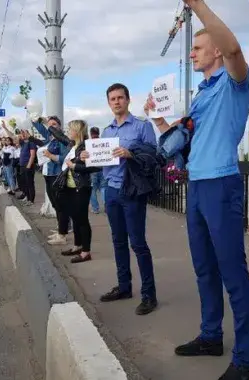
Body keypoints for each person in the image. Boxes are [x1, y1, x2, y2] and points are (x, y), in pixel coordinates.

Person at [144, 2, 249, 379]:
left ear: (216, 51)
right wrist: (159, 119)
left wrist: (199, 6)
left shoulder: (236, 82)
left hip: (221, 184)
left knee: (232, 273)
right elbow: (184, 142)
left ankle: (244, 362)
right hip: (197, 184)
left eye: (197, 47)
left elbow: (235, 50)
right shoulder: (202, 93)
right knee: (204, 269)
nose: (190, 52)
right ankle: (211, 336)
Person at [80, 83, 159, 316]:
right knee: (118, 242)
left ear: (128, 100)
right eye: (112, 98)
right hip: (111, 190)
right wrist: (87, 156)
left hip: (132, 191)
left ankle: (149, 295)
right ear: (108, 102)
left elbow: (153, 156)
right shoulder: (106, 132)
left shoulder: (142, 127)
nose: (116, 101)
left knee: (138, 243)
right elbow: (100, 161)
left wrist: (130, 154)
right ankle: (124, 286)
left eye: (120, 98)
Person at [57, 120, 101, 264]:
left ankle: (85, 251)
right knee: (75, 218)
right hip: (69, 187)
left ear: (77, 131)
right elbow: (59, 136)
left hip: (81, 187)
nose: (68, 132)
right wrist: (42, 122)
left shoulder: (86, 146)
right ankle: (77, 246)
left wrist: (75, 166)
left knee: (82, 220)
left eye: (70, 129)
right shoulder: (72, 145)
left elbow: (95, 167)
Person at [31, 116, 72, 245]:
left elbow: (64, 158)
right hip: (47, 175)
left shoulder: (62, 140)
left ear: (60, 126)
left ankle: (63, 234)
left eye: (54, 124)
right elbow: (39, 127)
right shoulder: (49, 138)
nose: (52, 127)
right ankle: (61, 230)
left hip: (57, 175)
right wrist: (34, 117)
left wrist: (51, 156)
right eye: (50, 125)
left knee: (60, 206)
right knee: (55, 205)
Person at [88, 126, 107, 213]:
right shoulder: (103, 143)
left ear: (91, 134)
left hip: (92, 170)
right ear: (98, 133)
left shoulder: (89, 143)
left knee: (93, 190)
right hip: (103, 169)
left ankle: (95, 208)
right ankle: (107, 206)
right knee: (103, 188)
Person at [17, 129, 37, 204]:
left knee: (29, 183)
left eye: (24, 133)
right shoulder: (23, 143)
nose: (23, 135)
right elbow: (15, 137)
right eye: (22, 134)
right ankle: (27, 197)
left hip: (28, 165)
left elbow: (32, 155)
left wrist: (28, 166)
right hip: (22, 165)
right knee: (24, 183)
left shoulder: (31, 143)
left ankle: (31, 200)